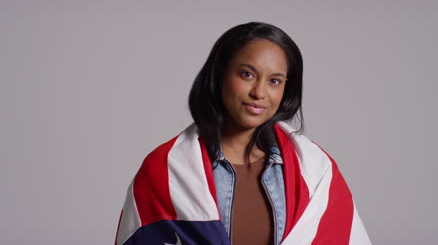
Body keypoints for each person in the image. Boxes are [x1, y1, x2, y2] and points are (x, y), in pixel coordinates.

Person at [115, 22, 371, 245]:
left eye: (275, 80)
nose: (259, 92)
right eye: (247, 74)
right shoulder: (165, 171)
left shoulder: (315, 171)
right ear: (220, 75)